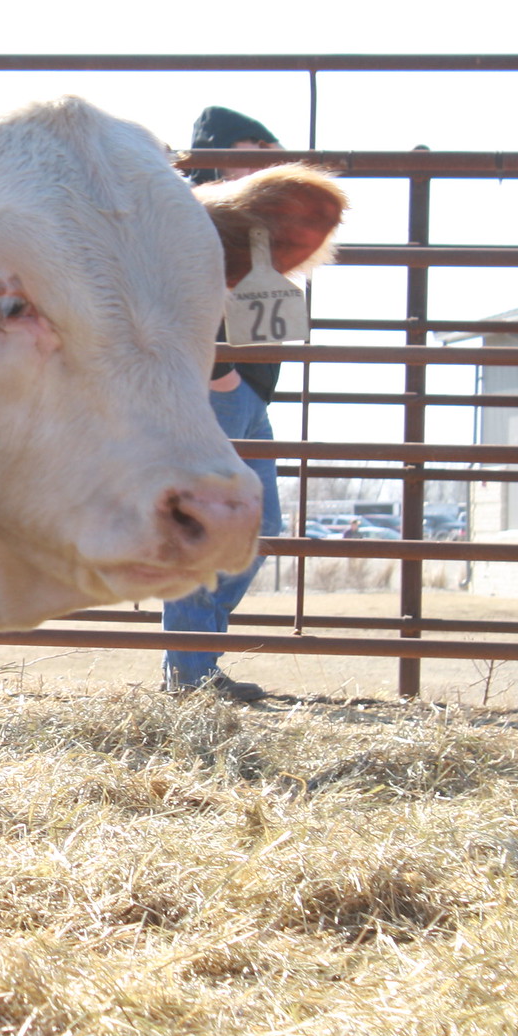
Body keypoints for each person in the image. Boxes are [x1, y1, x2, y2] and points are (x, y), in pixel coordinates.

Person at [163, 106, 287, 701]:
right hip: (216, 391)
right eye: (253, 146)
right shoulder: (196, 211)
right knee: (213, 532)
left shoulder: (241, 216)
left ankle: (195, 667)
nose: (268, 157)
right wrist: (221, 371)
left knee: (259, 533)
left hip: (247, 392)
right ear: (215, 152)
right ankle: (191, 676)